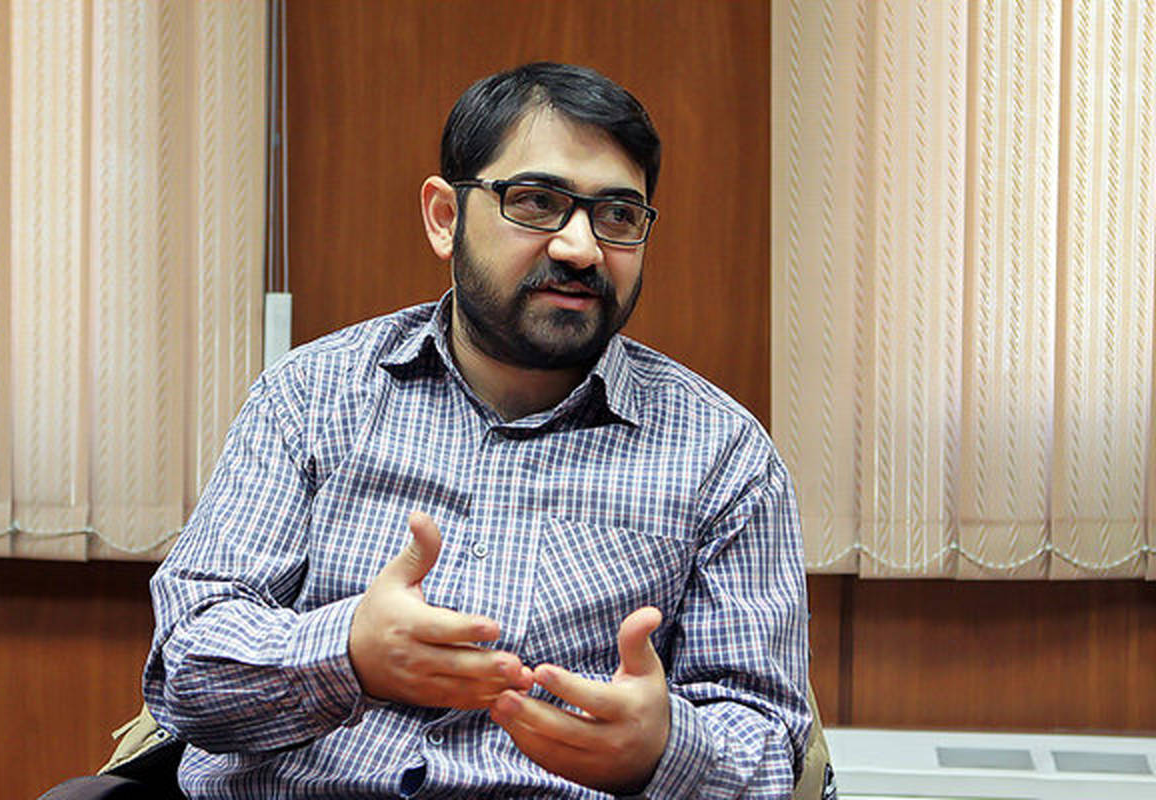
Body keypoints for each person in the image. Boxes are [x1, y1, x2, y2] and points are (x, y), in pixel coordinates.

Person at [143, 62, 811, 799]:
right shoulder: (310, 397)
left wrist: (663, 751)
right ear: (445, 217)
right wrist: (348, 652)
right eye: (536, 201)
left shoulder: (723, 454)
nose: (581, 248)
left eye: (618, 215)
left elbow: (770, 746)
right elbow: (183, 667)